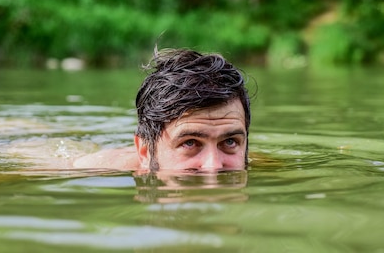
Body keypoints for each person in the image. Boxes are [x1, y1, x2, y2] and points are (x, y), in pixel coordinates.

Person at [72, 48, 252, 172]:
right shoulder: (87, 168)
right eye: (190, 142)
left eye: (229, 142)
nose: (214, 166)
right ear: (144, 152)